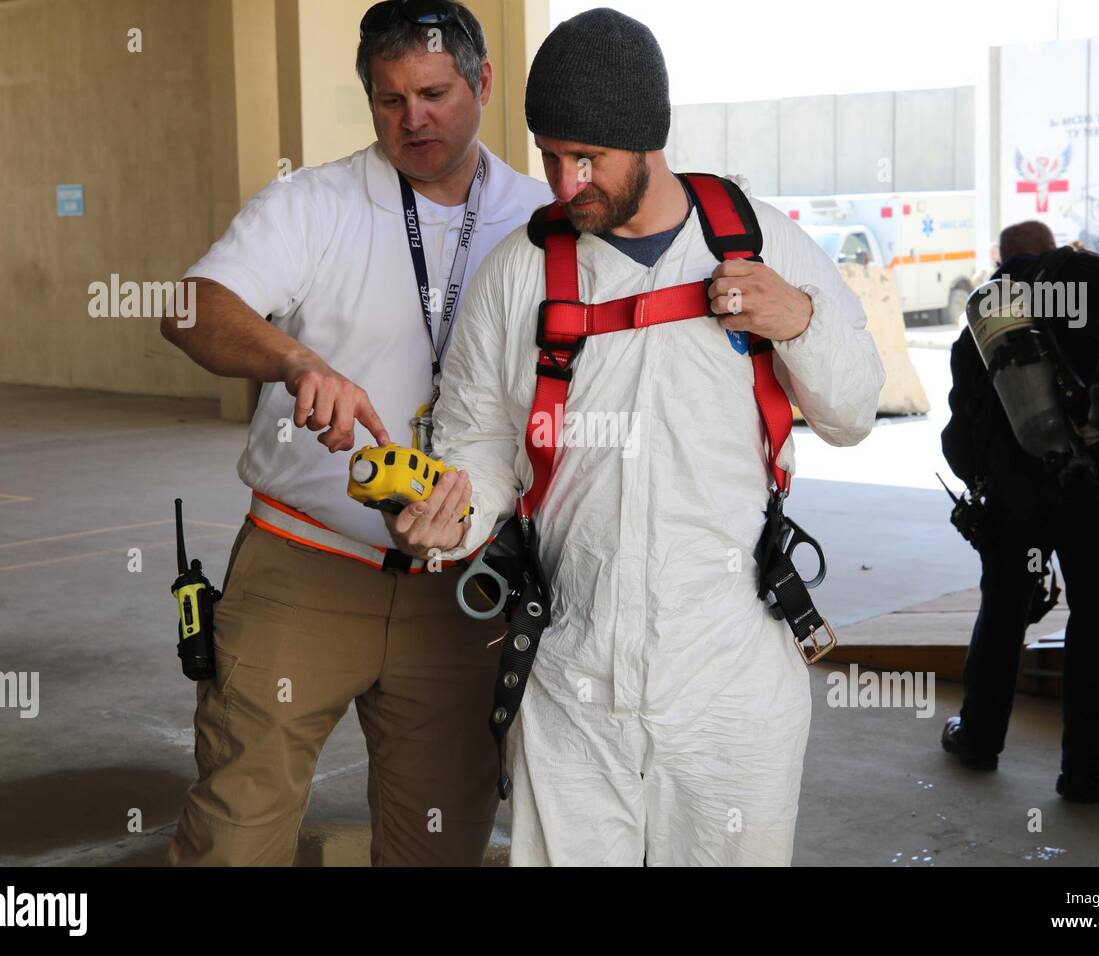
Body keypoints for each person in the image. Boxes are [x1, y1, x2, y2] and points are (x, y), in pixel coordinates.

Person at [386, 8, 884, 865]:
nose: (564, 179)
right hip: (572, 686)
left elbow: (854, 413)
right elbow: (480, 445)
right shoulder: (519, 277)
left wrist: (796, 320)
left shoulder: (758, 243)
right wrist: (453, 517)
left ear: (646, 140)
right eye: (548, 154)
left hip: (733, 684)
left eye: (588, 157)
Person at [160, 0, 550, 866]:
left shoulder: (541, 218)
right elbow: (189, 309)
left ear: (485, 83)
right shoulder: (313, 203)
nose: (413, 118)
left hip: (462, 587)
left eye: (436, 92)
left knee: (438, 842)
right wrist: (296, 361)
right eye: (389, 98)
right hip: (302, 569)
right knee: (235, 829)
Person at [940, 220, 1099, 802]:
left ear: (1002, 259)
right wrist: (1093, 260)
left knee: (1001, 612)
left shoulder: (982, 318)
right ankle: (1093, 770)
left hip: (1012, 501)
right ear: (1050, 250)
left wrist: (996, 484)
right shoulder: (1082, 277)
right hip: (1093, 491)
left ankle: (977, 739)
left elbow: (959, 437)